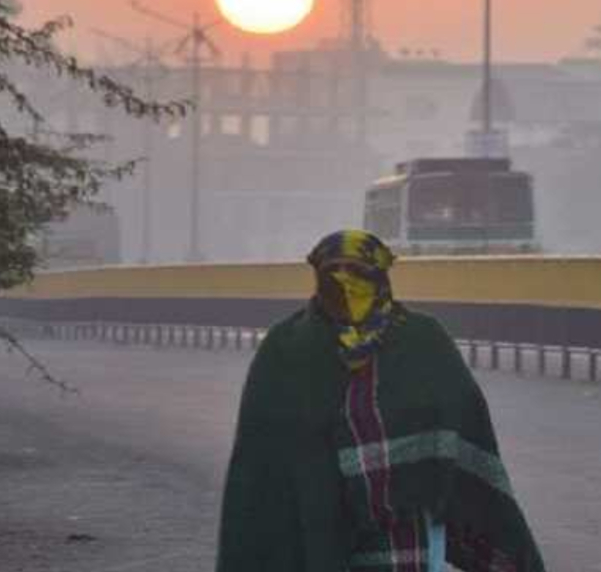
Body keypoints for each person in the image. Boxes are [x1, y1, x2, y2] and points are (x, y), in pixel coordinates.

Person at [216, 229, 546, 572]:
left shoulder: (423, 340)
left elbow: (465, 423)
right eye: (334, 274)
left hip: (408, 536)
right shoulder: (286, 348)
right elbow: (258, 467)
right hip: (315, 531)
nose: (347, 285)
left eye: (359, 273)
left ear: (380, 277)